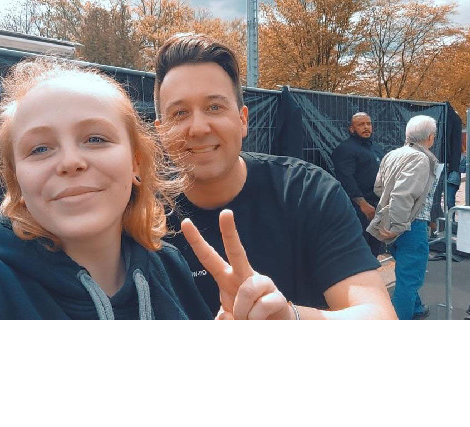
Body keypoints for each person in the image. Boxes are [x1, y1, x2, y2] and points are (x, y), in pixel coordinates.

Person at [0, 57, 282, 320]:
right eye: (40, 148)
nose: (70, 161)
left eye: (96, 139)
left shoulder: (168, 266)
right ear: (17, 181)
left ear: (135, 163)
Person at [154, 32, 397, 320]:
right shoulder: (140, 214)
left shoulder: (308, 193)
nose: (198, 128)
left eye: (214, 107)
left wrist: (288, 319)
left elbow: (380, 317)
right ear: (161, 132)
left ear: (243, 120)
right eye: (179, 113)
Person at [367, 115, 440, 320]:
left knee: (406, 274)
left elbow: (378, 188)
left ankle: (416, 309)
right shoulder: (420, 158)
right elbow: (402, 194)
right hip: (409, 224)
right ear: (430, 137)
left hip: (394, 222)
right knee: (409, 280)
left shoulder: (392, 154)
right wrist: (398, 225)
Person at [331, 113, 384, 257]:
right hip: (358, 208)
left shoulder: (375, 148)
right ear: (351, 129)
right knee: (359, 249)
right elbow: (346, 179)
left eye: (369, 124)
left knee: (375, 248)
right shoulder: (345, 149)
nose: (366, 127)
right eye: (361, 124)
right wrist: (362, 204)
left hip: (377, 205)